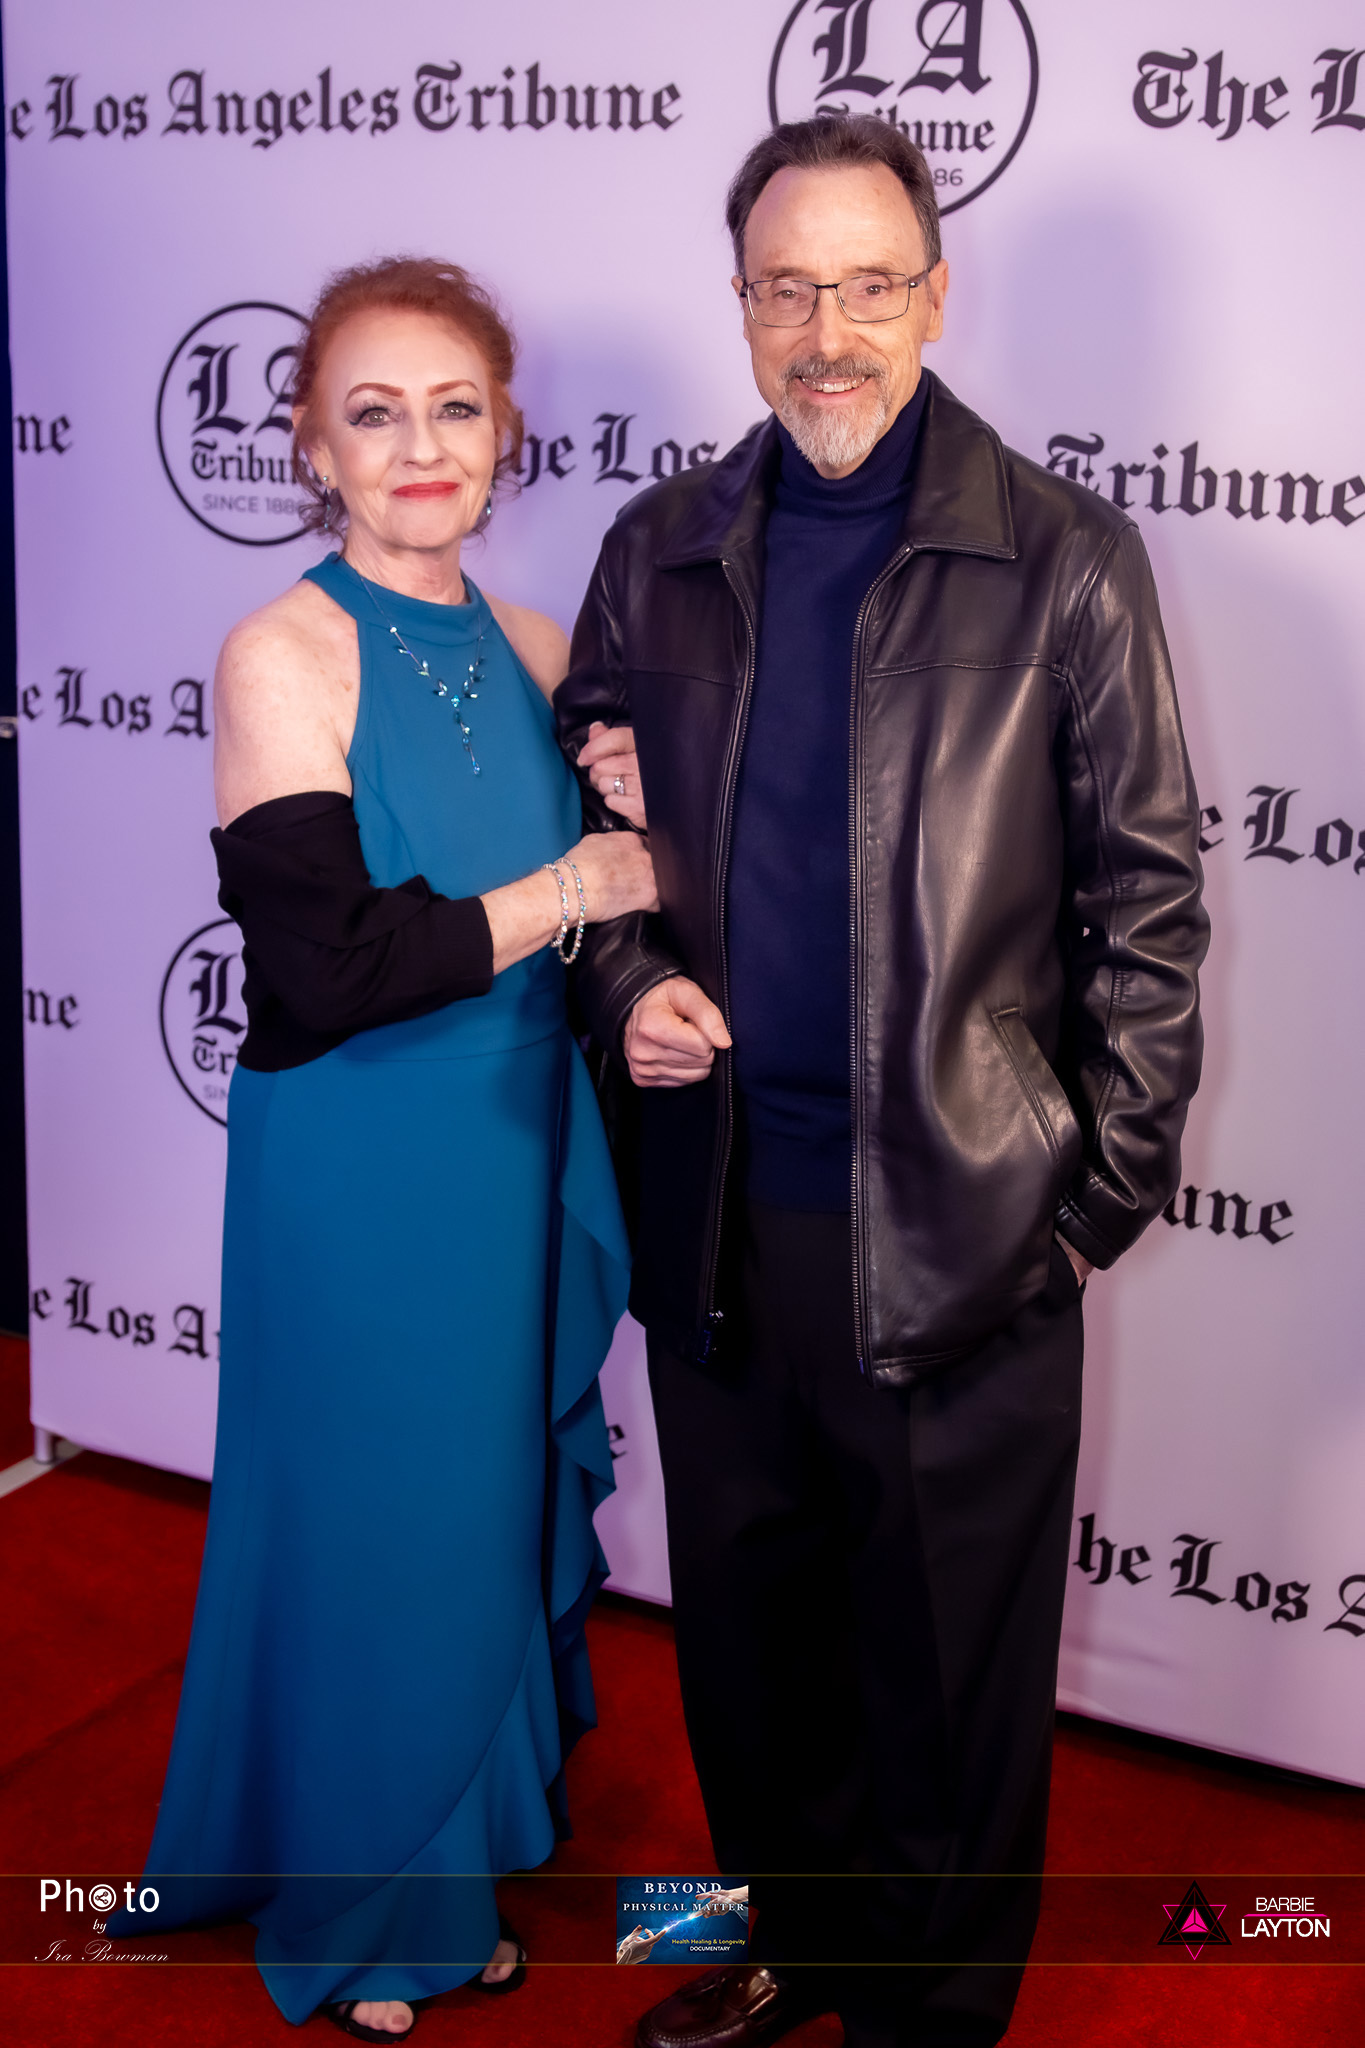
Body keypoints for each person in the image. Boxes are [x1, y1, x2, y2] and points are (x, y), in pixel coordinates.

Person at [557, 117, 1209, 2048]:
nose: (824, 333)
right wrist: (627, 984)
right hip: (718, 1213)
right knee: (747, 1646)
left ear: (934, 294)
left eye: (864, 286)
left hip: (959, 1225)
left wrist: (1083, 1208)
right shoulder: (655, 549)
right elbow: (588, 849)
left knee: (947, 1682)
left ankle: (929, 2020)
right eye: (786, 289)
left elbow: (1148, 906)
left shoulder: (1066, 558)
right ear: (739, 303)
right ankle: (773, 1949)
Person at [111, 256, 655, 2042]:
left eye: (454, 407)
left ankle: (462, 1849)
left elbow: (623, 905)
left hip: (515, 1144)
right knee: (370, 1522)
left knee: (478, 1510)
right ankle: (365, 1911)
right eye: (373, 411)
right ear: (310, 446)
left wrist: (638, 847)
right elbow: (328, 965)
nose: (420, 445)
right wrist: (572, 882)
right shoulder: (281, 651)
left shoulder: (543, 649)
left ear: (506, 433)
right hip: (359, 1160)